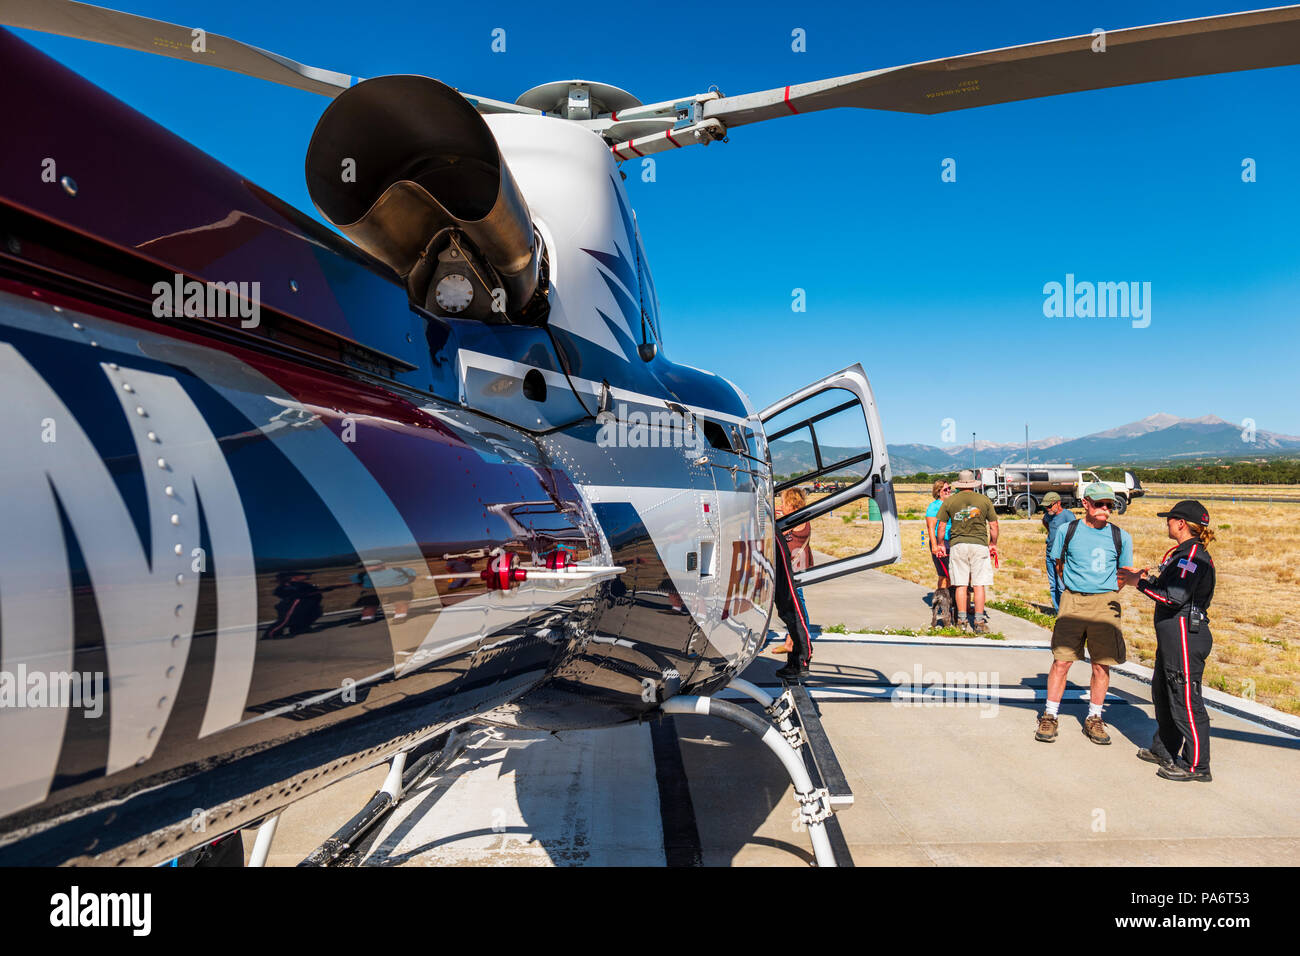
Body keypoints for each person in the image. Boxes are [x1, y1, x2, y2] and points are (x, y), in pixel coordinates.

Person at [1119, 500, 1217, 782]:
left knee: (1185, 698)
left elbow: (1174, 597)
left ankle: (1197, 765)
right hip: (1173, 635)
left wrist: (1139, 583)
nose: (1167, 523)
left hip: (1185, 634)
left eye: (1170, 519)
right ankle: (1164, 748)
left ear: (1181, 524)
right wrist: (1149, 578)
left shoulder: (1192, 557)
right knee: (1163, 692)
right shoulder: (1183, 553)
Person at [1036, 484, 1133, 745]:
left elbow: (1124, 573)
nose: (1106, 509)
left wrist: (1106, 591)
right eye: (1100, 504)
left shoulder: (1121, 536)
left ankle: (1094, 717)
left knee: (1101, 664)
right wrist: (1075, 587)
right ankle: (1050, 714)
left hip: (1106, 604)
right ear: (1086, 503)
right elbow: (1058, 564)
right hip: (1073, 601)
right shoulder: (1068, 531)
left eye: (1110, 505)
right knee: (1062, 660)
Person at [932, 470, 999, 633]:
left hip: (958, 545)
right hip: (979, 545)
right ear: (973, 484)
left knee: (961, 584)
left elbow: (941, 526)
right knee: (978, 584)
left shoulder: (950, 501)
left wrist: (940, 543)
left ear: (959, 485)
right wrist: (993, 543)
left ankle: (961, 621)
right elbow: (994, 525)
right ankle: (979, 622)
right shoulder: (984, 500)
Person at [925, 479, 954, 625]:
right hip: (939, 542)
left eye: (949, 489)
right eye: (945, 490)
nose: (949, 491)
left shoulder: (951, 504)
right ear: (938, 492)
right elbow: (931, 528)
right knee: (944, 575)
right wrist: (935, 546)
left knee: (952, 575)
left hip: (952, 542)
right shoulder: (934, 506)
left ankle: (952, 603)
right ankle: (943, 605)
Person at [1039, 492, 1074, 612]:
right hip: (1049, 554)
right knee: (1053, 584)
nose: (1047, 508)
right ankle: (1058, 611)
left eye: (1049, 506)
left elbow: (1074, 532)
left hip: (1061, 556)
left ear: (1058, 503)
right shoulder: (1048, 515)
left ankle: (1066, 612)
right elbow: (1045, 522)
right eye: (1045, 506)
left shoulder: (1068, 516)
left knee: (1061, 585)